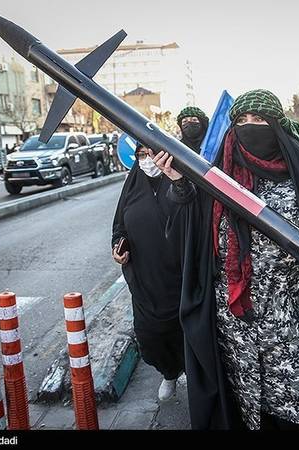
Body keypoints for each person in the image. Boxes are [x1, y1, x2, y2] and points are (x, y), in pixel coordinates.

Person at [154, 89, 299, 430]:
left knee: (293, 413)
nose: (250, 127)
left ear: (277, 125)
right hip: (235, 329)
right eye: (242, 120)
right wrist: (180, 187)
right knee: (244, 413)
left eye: (260, 119)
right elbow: (188, 239)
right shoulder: (218, 179)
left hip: (292, 323)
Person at [111, 142, 185, 402]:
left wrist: (179, 184)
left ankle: (190, 371)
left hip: (180, 277)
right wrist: (118, 248)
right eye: (141, 155)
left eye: (152, 154)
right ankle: (169, 372)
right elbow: (119, 227)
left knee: (185, 332)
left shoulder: (178, 182)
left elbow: (191, 216)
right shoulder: (132, 188)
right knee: (149, 336)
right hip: (145, 279)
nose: (146, 160)